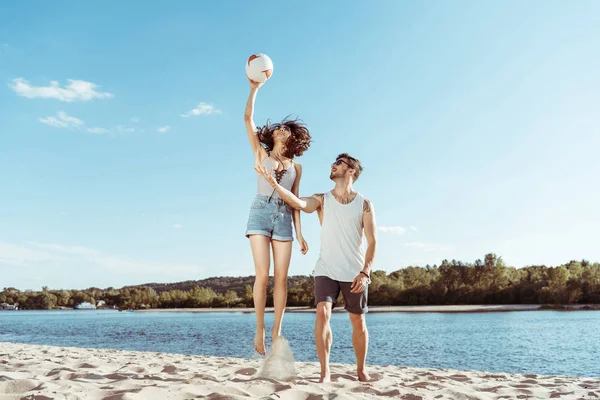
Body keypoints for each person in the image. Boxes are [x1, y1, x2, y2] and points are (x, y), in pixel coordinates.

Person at [255, 152, 377, 383]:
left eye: (339, 163)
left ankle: (361, 370)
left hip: (354, 271)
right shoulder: (322, 199)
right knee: (322, 312)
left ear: (351, 171)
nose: (333, 165)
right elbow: (299, 203)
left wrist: (365, 272)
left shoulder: (365, 204)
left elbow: (372, 242)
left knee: (358, 321)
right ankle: (325, 372)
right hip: (325, 269)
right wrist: (274, 184)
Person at [244, 77, 312, 356]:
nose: (282, 129)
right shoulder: (261, 153)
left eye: (287, 128)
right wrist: (254, 88)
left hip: (284, 217)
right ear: (272, 135)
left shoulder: (297, 167)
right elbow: (248, 118)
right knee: (263, 276)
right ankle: (260, 327)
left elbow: (296, 202)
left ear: (292, 137)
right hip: (260, 213)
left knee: (282, 279)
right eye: (279, 128)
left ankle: (277, 329)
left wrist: (300, 232)